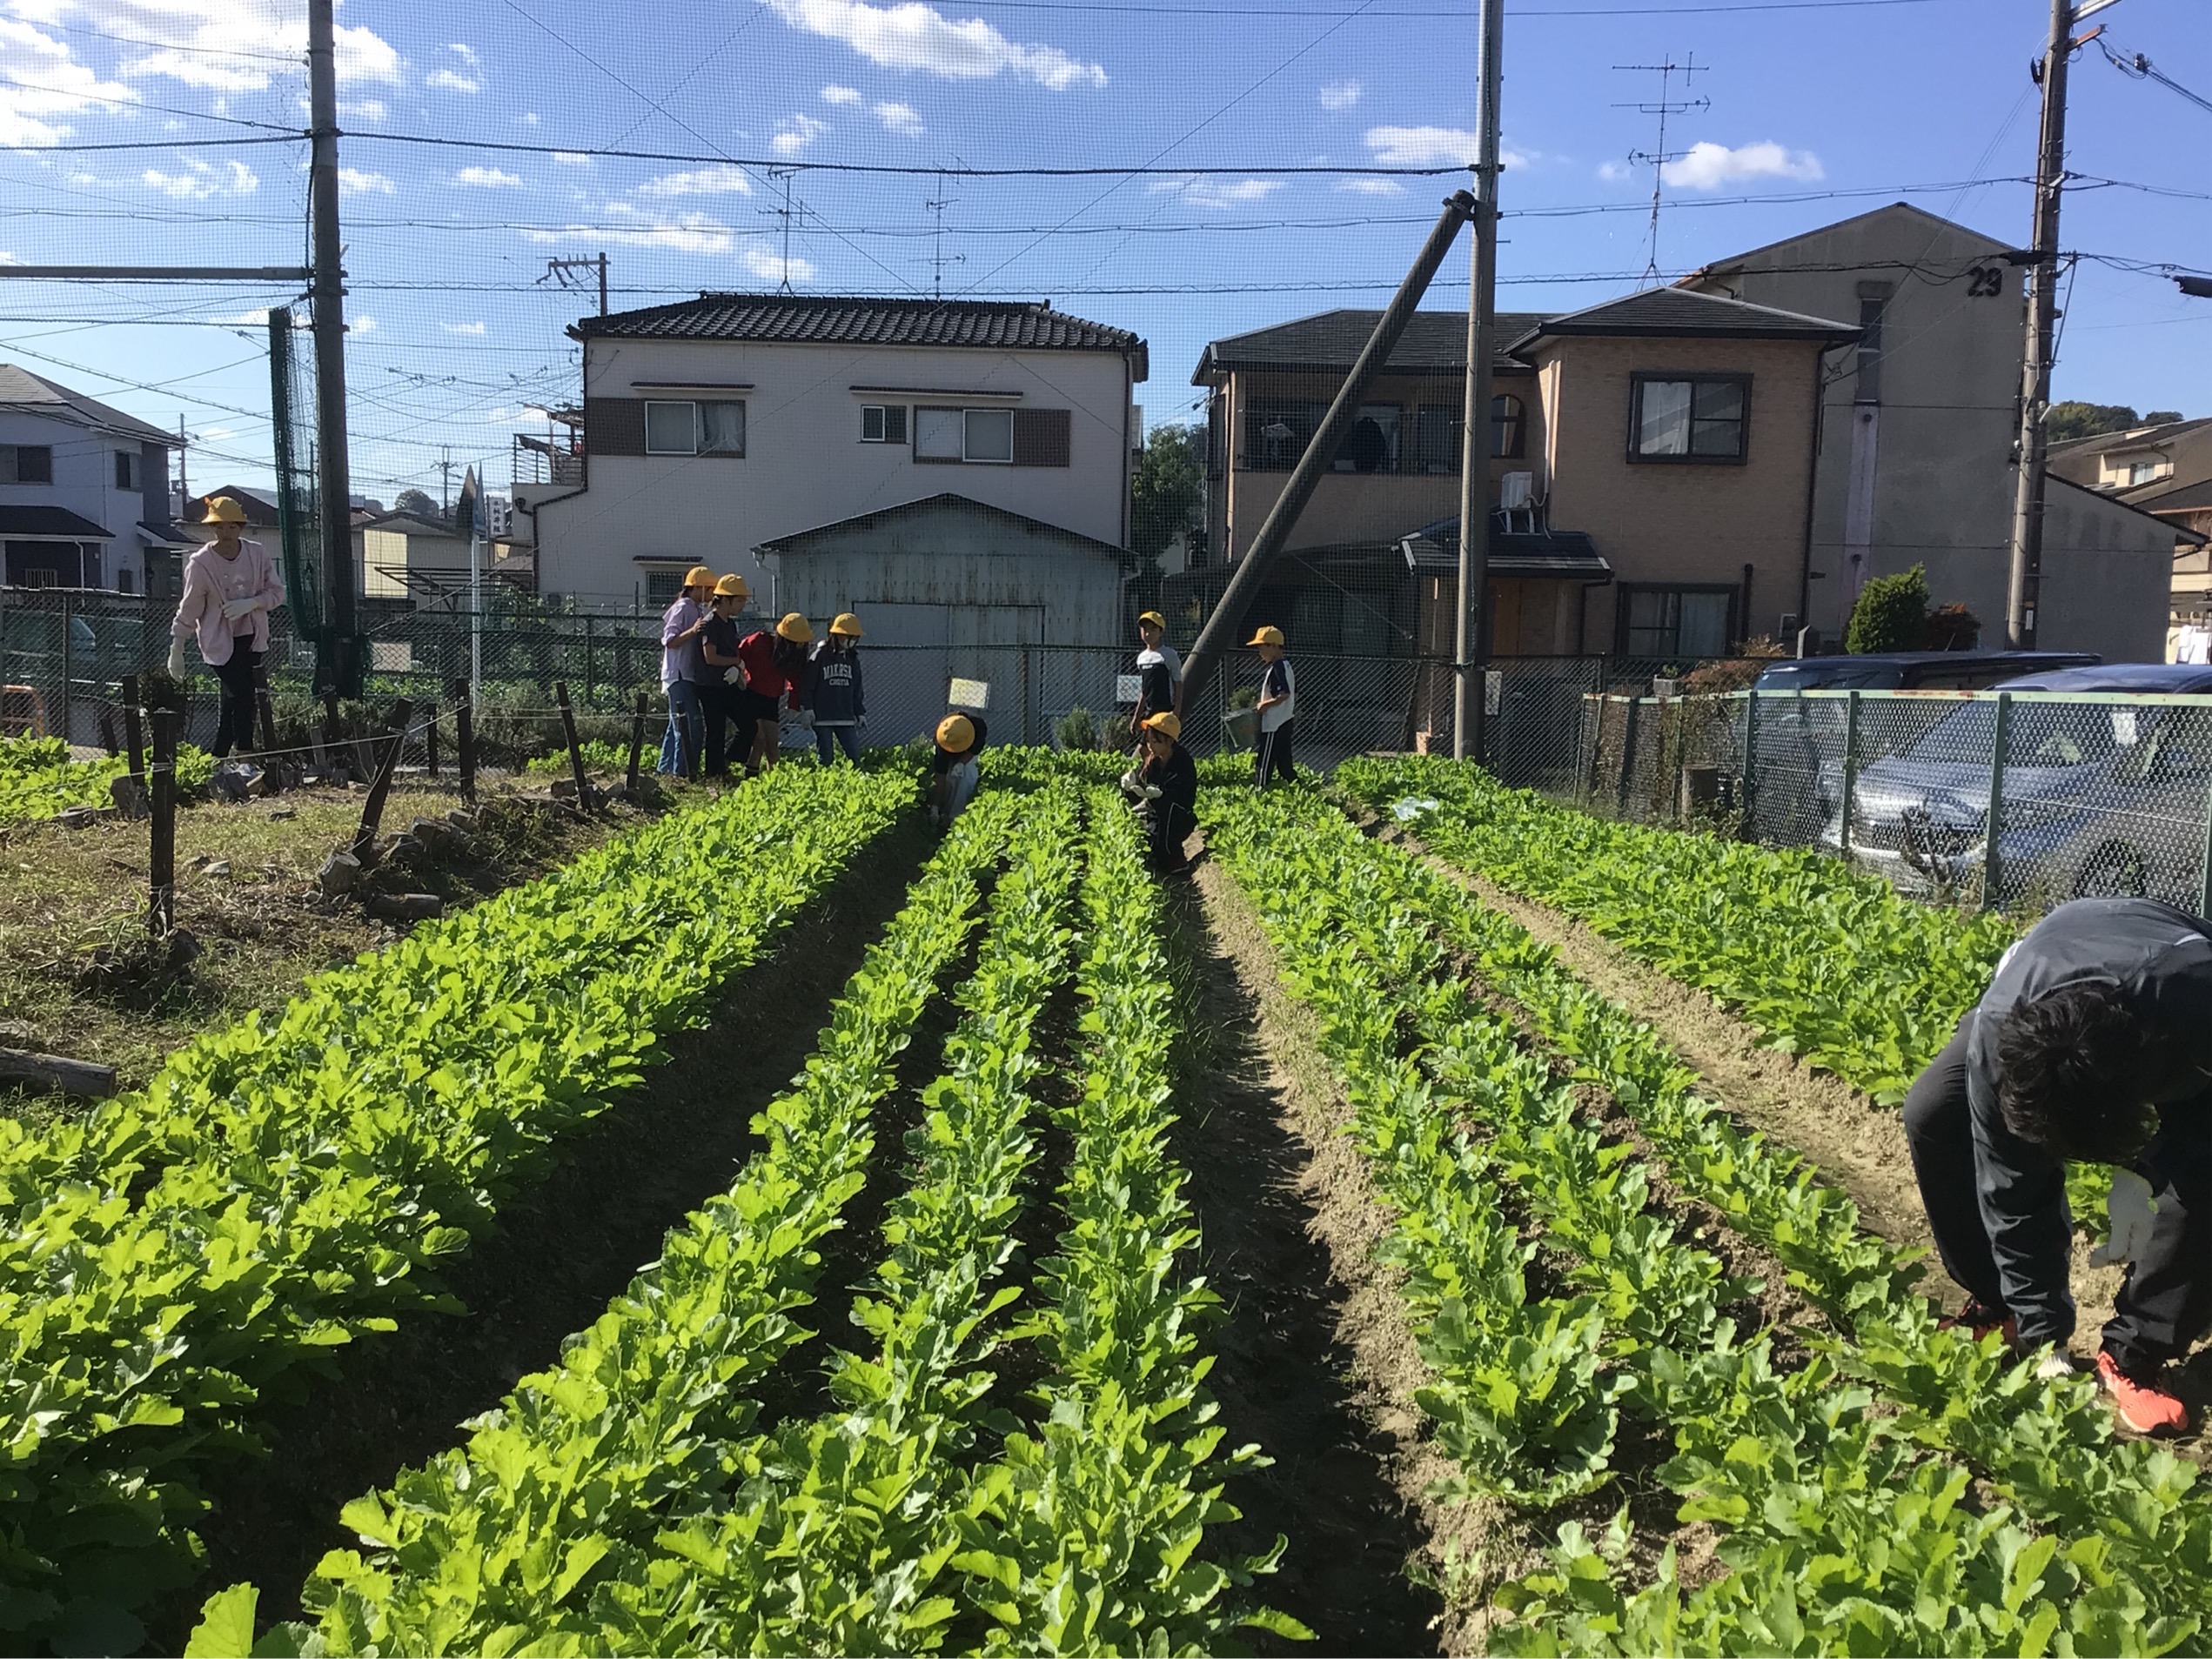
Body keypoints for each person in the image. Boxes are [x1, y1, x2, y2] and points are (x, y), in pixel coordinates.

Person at [1902, 896, 2212, 1436]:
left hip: (2170, 1003)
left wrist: (2144, 1171)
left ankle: (2136, 1351)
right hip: (2039, 990)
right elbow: (2012, 1187)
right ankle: (2007, 1307)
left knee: (2202, 1178)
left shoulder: (2195, 991)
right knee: (1932, 1112)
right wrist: (2043, 1334)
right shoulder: (2002, 1046)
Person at [168, 495, 284, 759]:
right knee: (243, 694)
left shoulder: (256, 553)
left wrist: (252, 603)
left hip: (251, 636)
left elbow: (277, 593)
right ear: (212, 528)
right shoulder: (200, 564)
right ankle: (243, 752)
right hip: (218, 641)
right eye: (219, 526)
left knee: (234, 699)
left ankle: (220, 757)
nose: (225, 532)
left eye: (231, 526)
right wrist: (177, 645)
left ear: (240, 527)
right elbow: (191, 606)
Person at [1119, 710, 1199, 875]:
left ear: (1169, 741)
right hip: (1155, 814)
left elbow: (1184, 796)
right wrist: (1129, 786)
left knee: (1163, 842)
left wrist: (1163, 795)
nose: (1150, 746)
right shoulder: (1153, 761)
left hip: (1178, 817)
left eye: (1155, 741)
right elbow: (1137, 795)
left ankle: (1175, 859)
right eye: (1148, 741)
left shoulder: (1183, 762)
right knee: (1148, 840)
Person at [658, 565, 716, 779]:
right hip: (679, 674)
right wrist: (692, 631)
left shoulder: (694, 608)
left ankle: (666, 771)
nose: (712, 595)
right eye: (710, 589)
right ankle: (682, 774)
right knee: (687, 725)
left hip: (684, 675)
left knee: (676, 724)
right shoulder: (684, 607)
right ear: (699, 588)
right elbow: (669, 640)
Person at [735, 612, 813, 774]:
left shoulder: (793, 655)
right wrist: (736, 674)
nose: (800, 646)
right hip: (749, 696)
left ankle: (776, 783)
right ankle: (749, 779)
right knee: (759, 741)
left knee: (772, 745)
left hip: (771, 700)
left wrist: (793, 704)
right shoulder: (759, 641)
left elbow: (796, 680)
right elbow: (738, 656)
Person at [698, 573, 749, 778]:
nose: (743, 605)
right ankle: (713, 772)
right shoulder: (711, 623)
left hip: (728, 683)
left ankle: (727, 761)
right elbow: (710, 657)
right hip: (710, 685)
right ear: (725, 600)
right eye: (739, 600)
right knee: (716, 730)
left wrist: (737, 668)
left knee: (748, 725)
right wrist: (735, 662)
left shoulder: (730, 624)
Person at [807, 612, 867, 765]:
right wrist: (808, 708)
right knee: (826, 757)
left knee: (854, 755)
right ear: (837, 635)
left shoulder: (853, 659)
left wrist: (860, 712)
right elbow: (808, 684)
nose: (851, 641)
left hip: (845, 716)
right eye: (848, 636)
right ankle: (822, 784)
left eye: (854, 637)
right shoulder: (819, 656)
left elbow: (857, 688)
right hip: (822, 716)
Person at [1248, 625, 1297, 788]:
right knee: (1284, 765)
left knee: (1264, 762)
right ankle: (1301, 789)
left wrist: (1264, 704)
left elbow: (1284, 694)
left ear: (1274, 646)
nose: (1260, 652)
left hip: (1274, 724)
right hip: (1286, 720)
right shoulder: (1286, 665)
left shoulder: (1277, 667)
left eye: (1262, 647)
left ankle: (1259, 792)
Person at [928, 712, 987, 829]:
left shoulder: (978, 728)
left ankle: (957, 817)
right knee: (949, 780)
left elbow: (972, 752)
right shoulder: (942, 742)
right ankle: (942, 813)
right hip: (947, 750)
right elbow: (940, 777)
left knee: (966, 777)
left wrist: (960, 764)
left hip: (967, 757)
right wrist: (934, 808)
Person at [1132, 610, 1182, 736]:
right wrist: (1136, 717)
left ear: (1161, 632)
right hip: (1149, 711)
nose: (1148, 633)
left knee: (1163, 746)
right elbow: (1144, 689)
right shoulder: (1141, 658)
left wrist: (1176, 710)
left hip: (1165, 711)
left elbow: (1178, 684)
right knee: (1146, 749)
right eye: (1144, 629)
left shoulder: (1169, 655)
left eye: (1153, 630)